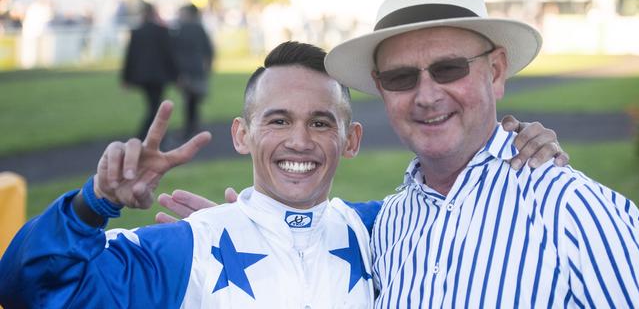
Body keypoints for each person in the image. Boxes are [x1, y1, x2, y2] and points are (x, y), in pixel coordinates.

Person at [159, 0, 639, 308]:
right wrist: (256, 235)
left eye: (449, 68)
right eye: (400, 77)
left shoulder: (578, 212)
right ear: (381, 91)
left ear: (496, 72)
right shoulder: (387, 228)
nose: (427, 95)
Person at [0, 42, 376, 307]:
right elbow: (30, 290)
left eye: (320, 123)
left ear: (351, 139)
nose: (299, 140)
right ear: (242, 135)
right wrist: (93, 204)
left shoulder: (382, 232)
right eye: (278, 120)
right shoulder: (188, 249)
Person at [122, 1, 178, 140]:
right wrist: (176, 75)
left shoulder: (137, 32)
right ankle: (147, 135)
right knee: (155, 106)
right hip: (159, 76)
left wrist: (126, 78)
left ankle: (152, 135)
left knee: (153, 105)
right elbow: (169, 55)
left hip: (143, 76)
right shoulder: (162, 31)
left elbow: (131, 56)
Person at [173, 4, 215, 140]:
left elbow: (175, 52)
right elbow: (209, 50)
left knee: (189, 99)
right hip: (198, 69)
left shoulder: (181, 29)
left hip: (186, 70)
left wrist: (177, 72)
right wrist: (208, 66)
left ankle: (189, 128)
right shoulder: (199, 28)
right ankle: (194, 126)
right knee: (194, 99)